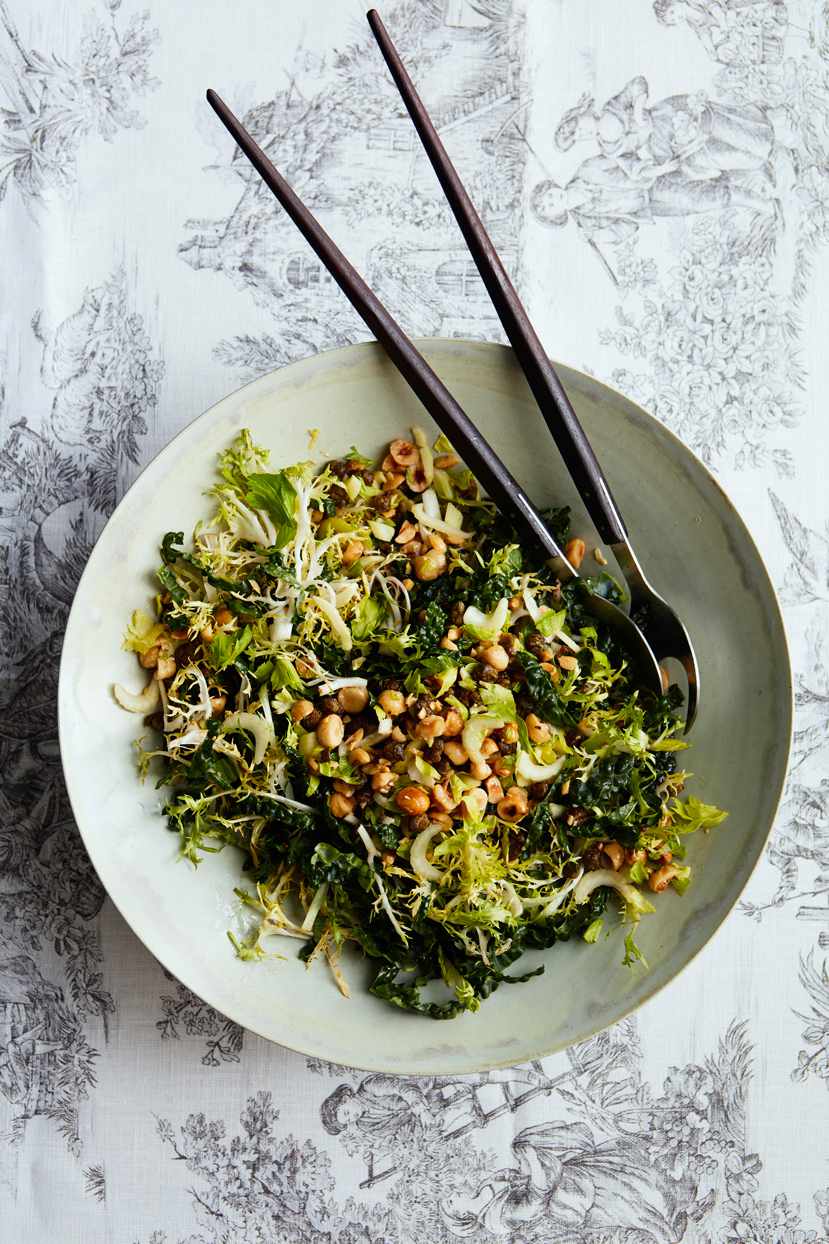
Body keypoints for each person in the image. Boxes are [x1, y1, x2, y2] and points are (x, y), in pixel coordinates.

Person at [443, 1121, 685, 1241]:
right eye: (452, 1200)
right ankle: (669, 1236)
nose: (454, 1193)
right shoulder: (497, 1220)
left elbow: (512, 1176)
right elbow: (536, 1201)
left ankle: (682, 1203)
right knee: (628, 1208)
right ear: (460, 1213)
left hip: (569, 1178)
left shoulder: (483, 1188)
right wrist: (535, 1162)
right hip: (569, 1200)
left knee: (630, 1178)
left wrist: (526, 1159)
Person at [554, 78, 776, 185]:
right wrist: (662, 169)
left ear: (579, 113)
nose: (581, 133)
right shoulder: (609, 148)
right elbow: (636, 170)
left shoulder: (613, 106)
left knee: (721, 125)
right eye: (576, 138)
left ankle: (765, 140)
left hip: (667, 116)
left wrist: (640, 111)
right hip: (665, 148)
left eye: (576, 127)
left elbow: (637, 84)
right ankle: (757, 163)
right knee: (713, 157)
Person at [530, 153, 778, 245]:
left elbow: (620, 158)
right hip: (652, 206)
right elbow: (627, 227)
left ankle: (759, 178)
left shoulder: (586, 169)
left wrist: (647, 171)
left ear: (552, 186)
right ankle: (761, 199)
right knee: (703, 200)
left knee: (705, 179)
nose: (554, 199)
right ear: (558, 216)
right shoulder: (588, 221)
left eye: (549, 195)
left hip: (653, 179)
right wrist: (602, 236)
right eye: (551, 206)